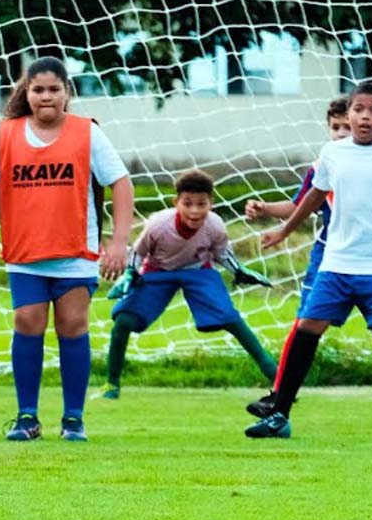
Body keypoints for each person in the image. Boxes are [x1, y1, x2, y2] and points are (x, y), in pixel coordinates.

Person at [0, 56, 134, 441]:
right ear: (26, 93)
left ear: (67, 93)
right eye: (38, 89)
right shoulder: (9, 133)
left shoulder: (87, 133)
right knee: (27, 322)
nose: (46, 97)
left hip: (75, 251)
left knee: (72, 326)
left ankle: (73, 419)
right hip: (26, 252)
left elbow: (122, 183)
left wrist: (118, 242)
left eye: (54, 89)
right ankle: (27, 417)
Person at [246, 82, 372, 439]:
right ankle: (279, 412)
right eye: (359, 109)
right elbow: (315, 196)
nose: (365, 117)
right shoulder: (333, 154)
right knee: (306, 328)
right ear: (348, 115)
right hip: (338, 263)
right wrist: (284, 231)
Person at [100, 169, 277, 399]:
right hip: (159, 271)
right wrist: (130, 274)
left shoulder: (215, 225)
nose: (194, 211)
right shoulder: (158, 225)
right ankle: (112, 384)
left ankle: (277, 377)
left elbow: (222, 253)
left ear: (211, 203)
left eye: (201, 204)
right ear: (177, 203)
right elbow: (138, 252)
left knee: (231, 319)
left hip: (198, 271)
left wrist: (239, 271)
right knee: (124, 320)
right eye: (188, 203)